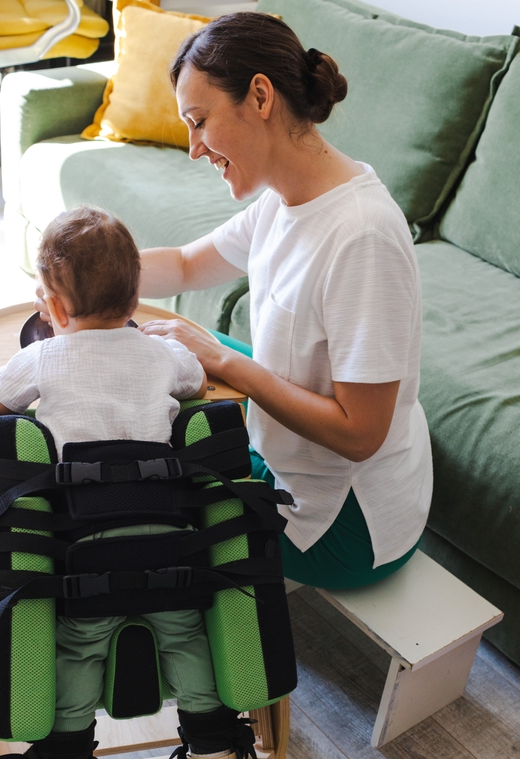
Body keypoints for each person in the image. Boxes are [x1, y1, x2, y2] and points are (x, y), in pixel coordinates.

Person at [0, 206, 252, 759]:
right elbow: (195, 383)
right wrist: (160, 349)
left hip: (84, 556)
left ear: (53, 310)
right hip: (171, 548)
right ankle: (213, 747)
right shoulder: (160, 356)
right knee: (186, 639)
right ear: (135, 300)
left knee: (79, 650)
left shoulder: (42, 359)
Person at [134, 11, 433, 591]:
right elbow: (188, 264)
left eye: (200, 121)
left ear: (260, 96)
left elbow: (360, 433)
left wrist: (225, 361)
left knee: (144, 470)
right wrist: (83, 272)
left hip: (344, 523)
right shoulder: (283, 198)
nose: (194, 148)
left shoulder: (362, 235)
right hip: (309, 468)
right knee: (164, 351)